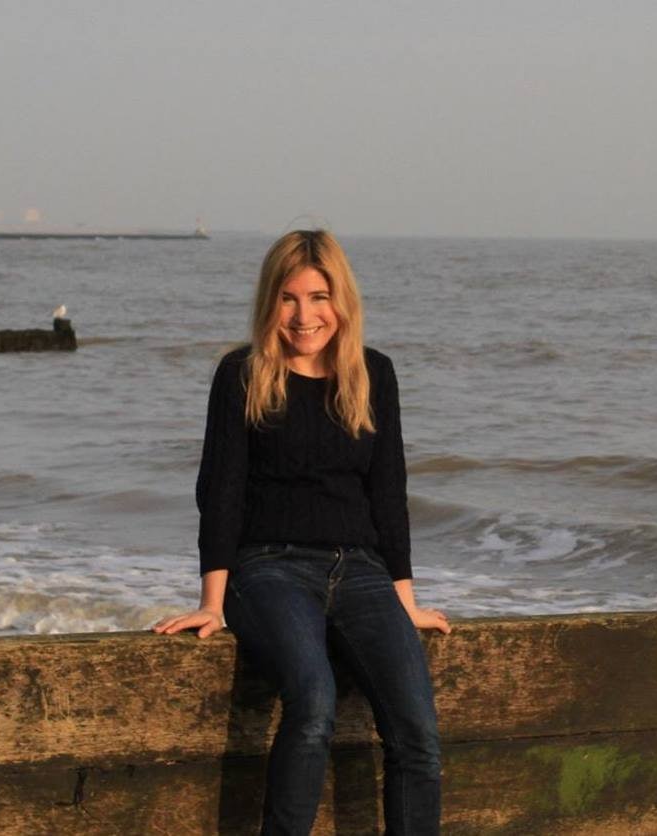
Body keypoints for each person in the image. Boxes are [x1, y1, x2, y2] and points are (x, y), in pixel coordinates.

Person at [154, 229, 450, 835]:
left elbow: (388, 495)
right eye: (288, 298)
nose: (303, 315)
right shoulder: (242, 374)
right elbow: (221, 492)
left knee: (417, 731)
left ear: (342, 301)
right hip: (269, 569)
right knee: (313, 703)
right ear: (270, 301)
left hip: (361, 571)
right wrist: (212, 602)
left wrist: (405, 602)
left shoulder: (373, 374)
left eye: (319, 297)